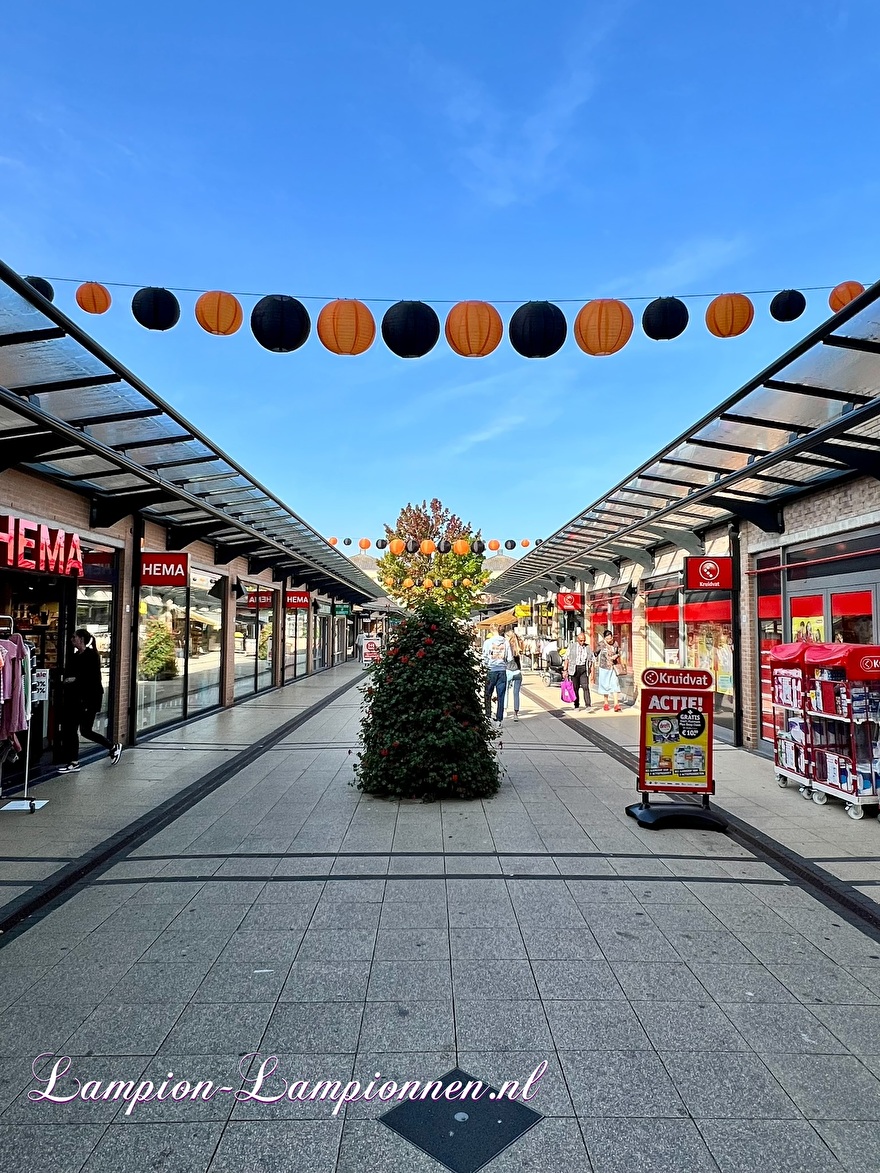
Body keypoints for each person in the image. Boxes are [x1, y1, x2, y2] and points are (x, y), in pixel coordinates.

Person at [59, 629, 121, 771]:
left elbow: (91, 679)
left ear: (81, 639)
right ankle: (73, 762)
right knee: (71, 729)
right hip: (75, 699)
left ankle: (112, 746)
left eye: (74, 637)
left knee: (86, 730)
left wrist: (75, 680)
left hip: (89, 700)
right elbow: (68, 675)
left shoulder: (91, 656)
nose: (71, 639)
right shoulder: (75, 656)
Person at [481, 624, 511, 724]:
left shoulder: (488, 642)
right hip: (502, 670)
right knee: (501, 696)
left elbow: (484, 656)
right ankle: (499, 720)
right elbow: (510, 658)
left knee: (487, 693)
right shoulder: (506, 642)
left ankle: (488, 716)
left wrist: (486, 665)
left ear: (491, 631)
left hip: (491, 670)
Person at [564, 630, 594, 710]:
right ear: (577, 639)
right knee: (575, 688)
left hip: (584, 668)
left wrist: (591, 672)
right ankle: (576, 704)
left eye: (584, 640)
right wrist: (565, 670)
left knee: (585, 687)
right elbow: (566, 658)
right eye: (581, 640)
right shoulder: (572, 646)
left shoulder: (588, 647)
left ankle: (588, 705)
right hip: (574, 669)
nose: (582, 642)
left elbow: (591, 660)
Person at [595, 629, 622, 712]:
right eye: (608, 639)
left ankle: (616, 704)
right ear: (604, 638)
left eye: (611, 638)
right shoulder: (601, 644)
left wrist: (616, 656)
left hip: (613, 666)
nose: (610, 640)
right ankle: (606, 703)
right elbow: (595, 653)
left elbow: (619, 652)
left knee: (615, 684)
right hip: (604, 667)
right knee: (605, 685)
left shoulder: (615, 643)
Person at [505, 629, 524, 720]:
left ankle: (505, 710)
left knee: (505, 692)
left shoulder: (507, 646)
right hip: (517, 671)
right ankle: (516, 714)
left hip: (508, 671)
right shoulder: (518, 646)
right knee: (516, 693)